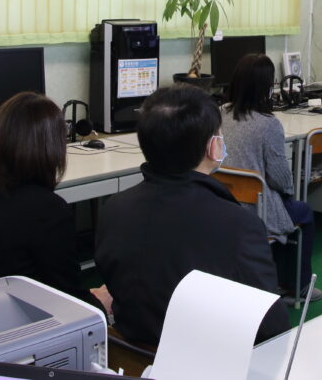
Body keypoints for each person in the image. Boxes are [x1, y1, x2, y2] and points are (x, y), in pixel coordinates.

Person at [94, 84, 288, 348]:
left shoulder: (113, 209)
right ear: (213, 147)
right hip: (205, 364)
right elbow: (272, 327)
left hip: (131, 356)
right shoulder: (239, 225)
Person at [0, 92, 107, 308]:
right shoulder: (49, 210)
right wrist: (100, 303)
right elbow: (68, 297)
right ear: (50, 147)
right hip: (37, 322)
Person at [221, 53, 322, 302]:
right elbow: (280, 179)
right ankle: (296, 286)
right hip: (255, 208)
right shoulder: (268, 124)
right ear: (266, 87)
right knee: (302, 212)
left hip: (223, 201)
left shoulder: (220, 113)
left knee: (287, 208)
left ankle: (276, 277)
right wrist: (287, 190)